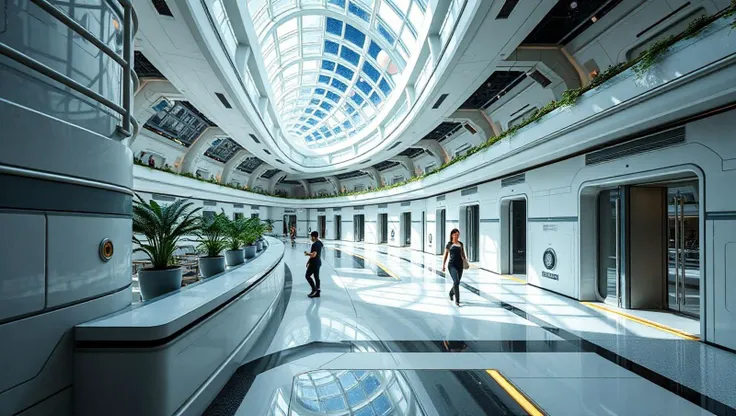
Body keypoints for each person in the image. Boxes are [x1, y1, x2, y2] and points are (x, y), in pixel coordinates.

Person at [442, 228, 467, 306]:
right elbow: (445, 255)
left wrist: (465, 261)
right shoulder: (449, 244)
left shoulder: (461, 244)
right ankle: (457, 301)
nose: (457, 236)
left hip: (460, 265)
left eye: (458, 234)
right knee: (456, 281)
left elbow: (463, 254)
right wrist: (443, 265)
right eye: (455, 234)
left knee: (457, 282)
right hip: (452, 265)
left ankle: (451, 293)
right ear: (452, 235)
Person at [304, 231, 323, 298]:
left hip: (314, 263)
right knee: (316, 277)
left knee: (307, 276)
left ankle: (314, 289)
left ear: (314, 237)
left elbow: (314, 254)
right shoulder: (320, 243)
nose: (311, 238)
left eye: (311, 237)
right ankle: (317, 292)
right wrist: (308, 261)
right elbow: (316, 254)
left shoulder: (314, 245)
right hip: (318, 262)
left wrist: (307, 254)